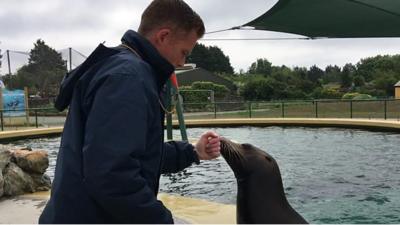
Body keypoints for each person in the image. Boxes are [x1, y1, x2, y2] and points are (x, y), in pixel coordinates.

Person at [39, 0, 221, 223]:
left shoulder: (121, 67)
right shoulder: (128, 78)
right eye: (184, 52)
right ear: (163, 36)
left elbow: (136, 154)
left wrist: (193, 152)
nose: (183, 62)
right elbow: (112, 176)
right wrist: (163, 220)